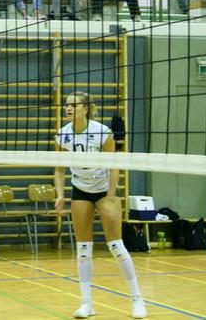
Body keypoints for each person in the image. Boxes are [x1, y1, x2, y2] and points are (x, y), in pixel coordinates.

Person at [54, 91, 146, 319]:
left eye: (74, 105)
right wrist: (59, 194)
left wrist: (112, 196)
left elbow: (113, 165)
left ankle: (137, 299)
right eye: (67, 105)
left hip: (104, 189)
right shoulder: (62, 135)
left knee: (116, 245)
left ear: (86, 108)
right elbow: (58, 168)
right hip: (80, 189)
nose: (68, 108)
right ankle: (87, 303)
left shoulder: (102, 132)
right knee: (84, 248)